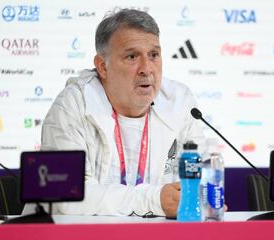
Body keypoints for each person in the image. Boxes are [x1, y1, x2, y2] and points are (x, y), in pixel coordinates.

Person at [34, 9, 204, 218]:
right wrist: (153, 200)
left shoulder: (180, 102)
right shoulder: (72, 105)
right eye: (132, 56)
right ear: (102, 67)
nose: (147, 68)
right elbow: (67, 197)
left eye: (154, 55)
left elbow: (197, 183)